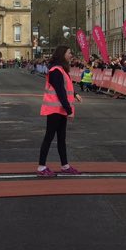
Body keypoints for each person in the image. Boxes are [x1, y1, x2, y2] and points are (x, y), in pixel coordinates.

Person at [37, 45, 83, 177]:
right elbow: (60, 91)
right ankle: (41, 167)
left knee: (61, 138)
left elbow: (64, 86)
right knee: (49, 137)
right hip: (54, 109)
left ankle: (65, 165)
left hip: (59, 109)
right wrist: (69, 110)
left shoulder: (61, 69)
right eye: (69, 53)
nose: (71, 55)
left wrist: (74, 94)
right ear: (62, 54)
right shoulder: (56, 70)